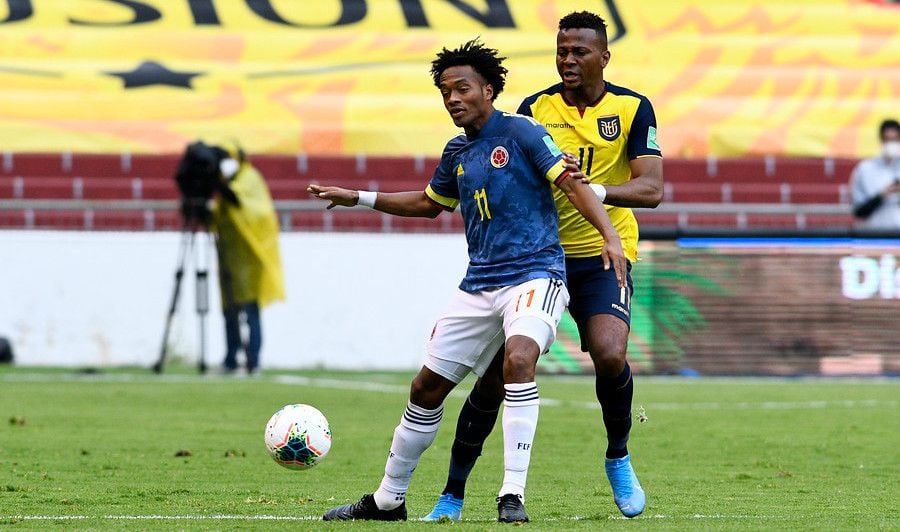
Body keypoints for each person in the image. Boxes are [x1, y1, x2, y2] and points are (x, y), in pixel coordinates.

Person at [308, 39, 627, 523]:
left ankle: (511, 494)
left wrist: (610, 236)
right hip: (480, 283)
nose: (453, 98)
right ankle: (388, 501)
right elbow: (430, 204)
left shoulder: (522, 131)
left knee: (519, 360)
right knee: (426, 388)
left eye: (462, 88)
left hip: (536, 274)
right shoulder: (457, 150)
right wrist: (359, 197)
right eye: (444, 91)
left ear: (489, 90)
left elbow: (571, 182)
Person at [422, 11, 663, 521]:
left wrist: (588, 191)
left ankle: (618, 455)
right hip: (534, 259)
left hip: (599, 255)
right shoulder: (535, 109)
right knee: (495, 378)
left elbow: (652, 190)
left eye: (578, 51)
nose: (567, 59)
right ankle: (453, 491)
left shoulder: (633, 107)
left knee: (611, 352)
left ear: (604, 56)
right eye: (561, 51)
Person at [207, 143, 285, 375]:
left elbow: (250, 209)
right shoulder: (228, 184)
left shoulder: (250, 179)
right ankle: (231, 359)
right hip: (229, 257)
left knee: (251, 311)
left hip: (250, 259)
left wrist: (223, 188)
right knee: (229, 312)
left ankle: (253, 360)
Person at [850, 119, 900, 230]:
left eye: (895, 140)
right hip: (874, 236)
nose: (891, 144)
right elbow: (859, 211)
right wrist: (882, 195)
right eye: (887, 140)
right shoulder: (865, 169)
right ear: (881, 140)